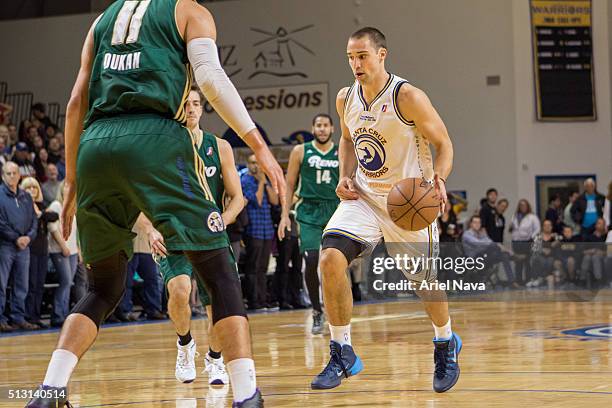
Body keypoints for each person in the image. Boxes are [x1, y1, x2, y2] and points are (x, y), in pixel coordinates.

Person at [26, 1, 285, 406]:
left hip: (96, 144)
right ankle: (247, 394)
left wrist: (73, 178)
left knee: (103, 287)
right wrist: (259, 145)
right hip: (156, 139)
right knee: (220, 274)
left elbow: (76, 100)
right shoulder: (188, 12)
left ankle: (50, 390)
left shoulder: (102, 20)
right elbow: (212, 80)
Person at [310, 27, 460, 393]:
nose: (355, 64)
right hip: (364, 197)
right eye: (350, 57)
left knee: (424, 283)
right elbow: (347, 139)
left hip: (408, 203)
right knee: (329, 258)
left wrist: (438, 179)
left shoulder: (406, 96)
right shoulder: (346, 98)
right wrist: (345, 175)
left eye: (362, 56)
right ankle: (342, 350)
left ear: (381, 55)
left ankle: (445, 341)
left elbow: (445, 145)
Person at [149, 86, 243, 386]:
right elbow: (142, 197)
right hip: (173, 233)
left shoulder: (220, 147)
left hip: (210, 236)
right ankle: (184, 344)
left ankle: (215, 359)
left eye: (195, 103)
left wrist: (224, 220)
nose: (191, 108)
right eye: (185, 104)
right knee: (178, 290)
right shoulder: (161, 148)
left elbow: (237, 197)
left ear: (202, 108)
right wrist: (151, 228)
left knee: (219, 303)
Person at [278, 113, 340, 334]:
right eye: (318, 125)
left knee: (335, 264)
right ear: (313, 129)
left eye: (325, 126)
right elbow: (289, 183)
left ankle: (336, 310)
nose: (322, 129)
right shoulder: (300, 150)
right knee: (312, 259)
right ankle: (316, 310)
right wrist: (285, 215)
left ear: (332, 129)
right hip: (309, 211)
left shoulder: (341, 150)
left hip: (335, 209)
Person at [0, 162, 39, 332]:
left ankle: (18, 318)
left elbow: (34, 221)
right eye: (8, 173)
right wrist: (16, 238)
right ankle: (1, 319)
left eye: (14, 173)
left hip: (25, 247)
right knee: (1, 284)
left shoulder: (26, 196)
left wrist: (28, 237)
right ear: (3, 175)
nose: (12, 176)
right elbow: (0, 223)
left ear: (19, 175)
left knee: (22, 284)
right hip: (6, 245)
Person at [241, 154, 279, 310]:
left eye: (258, 163)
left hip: (266, 230)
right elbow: (257, 201)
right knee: (253, 267)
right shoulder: (245, 181)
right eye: (253, 163)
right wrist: (262, 183)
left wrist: (265, 182)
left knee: (263, 268)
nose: (256, 166)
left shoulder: (264, 180)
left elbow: (275, 201)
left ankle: (263, 300)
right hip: (253, 230)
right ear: (248, 164)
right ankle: (254, 301)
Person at [21, 177, 58, 329]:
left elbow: (53, 216)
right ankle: (28, 316)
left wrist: (41, 213)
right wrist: (41, 214)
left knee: (39, 284)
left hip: (43, 249)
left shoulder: (41, 206)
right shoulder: (23, 205)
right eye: (29, 188)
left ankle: (36, 316)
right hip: (30, 249)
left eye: (34, 188)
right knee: (30, 284)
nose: (32, 190)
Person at [47, 182, 79, 328]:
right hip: (59, 250)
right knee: (65, 281)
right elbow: (52, 227)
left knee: (69, 282)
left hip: (72, 250)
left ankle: (64, 314)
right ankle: (57, 315)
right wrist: (63, 246)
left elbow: (76, 232)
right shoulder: (56, 205)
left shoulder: (74, 207)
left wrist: (78, 249)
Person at [509, 199, 540, 284]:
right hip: (516, 242)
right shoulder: (515, 216)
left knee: (527, 262)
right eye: (521, 205)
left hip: (527, 242)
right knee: (518, 262)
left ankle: (528, 280)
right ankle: (519, 281)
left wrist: (531, 237)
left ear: (527, 206)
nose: (523, 207)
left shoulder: (532, 216)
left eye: (524, 205)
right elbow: (511, 228)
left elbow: (537, 229)